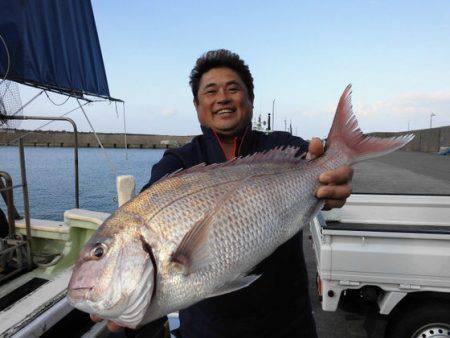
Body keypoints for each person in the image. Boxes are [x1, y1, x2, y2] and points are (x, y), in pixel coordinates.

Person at [95, 49, 352, 338]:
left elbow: (326, 184)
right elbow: (145, 213)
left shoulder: (284, 148)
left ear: (250, 99)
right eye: (210, 91)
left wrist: (333, 186)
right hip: (208, 331)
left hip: (288, 324)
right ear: (197, 104)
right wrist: (128, 293)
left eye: (233, 89)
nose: (222, 98)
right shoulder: (177, 163)